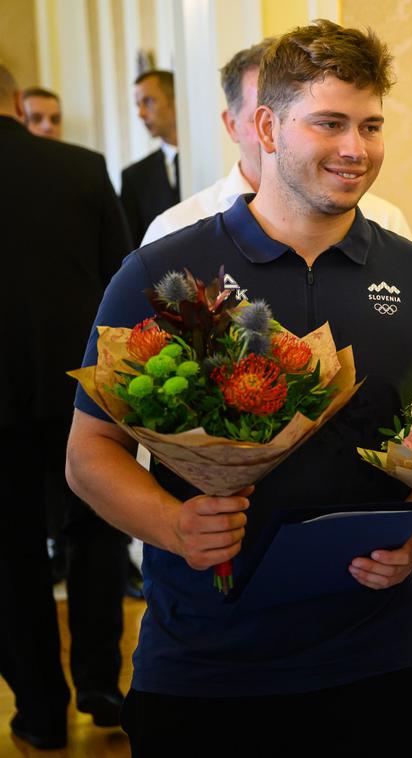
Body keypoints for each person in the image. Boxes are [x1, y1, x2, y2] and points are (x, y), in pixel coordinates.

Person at [65, 21, 412, 756]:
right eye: (330, 123)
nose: (356, 148)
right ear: (266, 126)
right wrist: (171, 524)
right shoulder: (164, 273)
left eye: (371, 125)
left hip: (374, 658)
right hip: (202, 663)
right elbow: (89, 451)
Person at [0, 63, 131, 751]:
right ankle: (103, 685)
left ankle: (39, 708)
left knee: (10, 554)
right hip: (82, 388)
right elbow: (123, 282)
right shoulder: (81, 169)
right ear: (17, 101)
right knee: (97, 535)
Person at [142, 39, 412, 246]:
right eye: (264, 122)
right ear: (232, 125)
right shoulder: (174, 231)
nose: (275, 136)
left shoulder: (384, 219)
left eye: (370, 126)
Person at [121, 70, 180, 244]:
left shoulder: (218, 156)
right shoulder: (134, 177)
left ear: (175, 100)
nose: (141, 114)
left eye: (148, 101)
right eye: (138, 105)